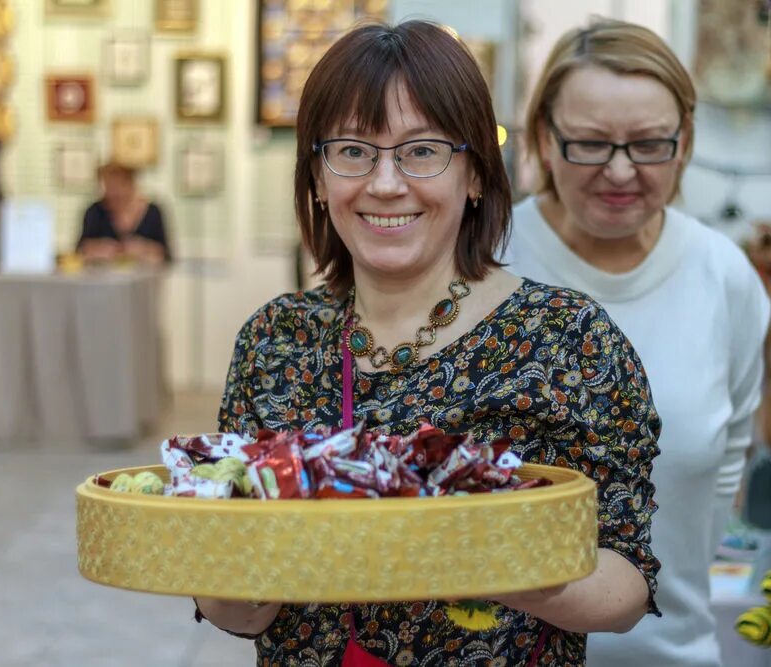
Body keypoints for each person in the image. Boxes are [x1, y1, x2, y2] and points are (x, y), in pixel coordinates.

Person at [195, 20, 661, 666]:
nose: (386, 182)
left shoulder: (567, 339)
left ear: (474, 176)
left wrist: (480, 558)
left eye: (422, 151)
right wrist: (237, 561)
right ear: (318, 178)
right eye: (353, 151)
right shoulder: (275, 340)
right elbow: (234, 605)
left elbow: (627, 583)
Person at [504, 19, 770, 667]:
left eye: (650, 144)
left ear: (684, 144)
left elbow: (721, 470)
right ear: (544, 137)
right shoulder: (489, 261)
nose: (620, 171)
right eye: (590, 144)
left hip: (673, 652)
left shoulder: (722, 274)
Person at [77, 162, 171, 264]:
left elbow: (166, 255)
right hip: (102, 277)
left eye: (119, 185)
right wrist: (98, 249)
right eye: (109, 186)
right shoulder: (94, 212)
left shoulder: (153, 212)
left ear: (131, 184)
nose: (114, 192)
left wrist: (143, 249)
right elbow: (80, 251)